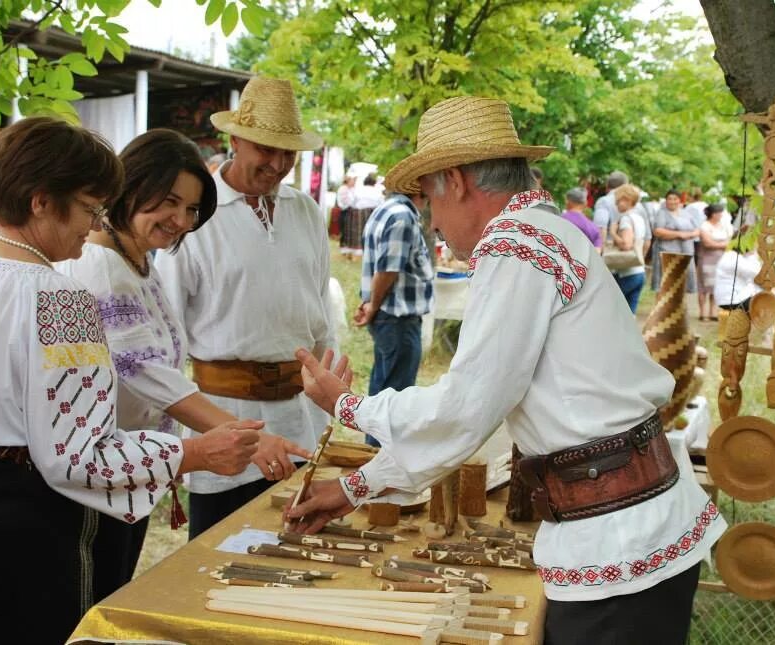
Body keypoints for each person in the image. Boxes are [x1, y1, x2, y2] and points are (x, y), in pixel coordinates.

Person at [285, 96, 725, 645]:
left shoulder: (517, 245)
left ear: (456, 181)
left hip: (618, 537)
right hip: (630, 524)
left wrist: (348, 405)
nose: (433, 224)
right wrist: (356, 486)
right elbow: (481, 405)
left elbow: (465, 407)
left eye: (429, 202)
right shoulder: (546, 234)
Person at [0, 117, 263, 644]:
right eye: (89, 209)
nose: (91, 226)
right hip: (32, 521)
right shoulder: (58, 298)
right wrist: (194, 455)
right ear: (41, 201)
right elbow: (78, 455)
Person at [57, 129, 311, 595]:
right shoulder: (100, 264)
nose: (180, 220)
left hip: (130, 472)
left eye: (191, 209)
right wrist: (244, 435)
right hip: (96, 478)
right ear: (132, 186)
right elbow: (145, 372)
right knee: (92, 603)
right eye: (169, 202)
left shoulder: (135, 258)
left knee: (111, 588)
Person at [154, 76, 337, 539]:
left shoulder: (306, 212)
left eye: (287, 153)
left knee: (295, 549)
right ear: (234, 139)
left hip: (299, 417)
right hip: (224, 418)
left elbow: (321, 317)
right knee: (219, 554)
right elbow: (167, 334)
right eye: (265, 149)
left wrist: (330, 399)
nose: (277, 164)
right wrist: (177, 439)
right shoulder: (194, 216)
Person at [355, 191, 434, 448]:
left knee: (383, 391)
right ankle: (380, 459)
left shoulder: (387, 209)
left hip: (390, 316)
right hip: (397, 317)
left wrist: (370, 304)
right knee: (393, 399)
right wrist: (373, 305)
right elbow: (387, 269)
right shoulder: (402, 216)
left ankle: (373, 455)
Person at [608, 183, 650, 313]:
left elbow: (626, 245)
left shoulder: (626, 219)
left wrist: (613, 233)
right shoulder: (639, 218)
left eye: (618, 201)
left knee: (612, 310)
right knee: (630, 314)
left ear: (627, 200)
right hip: (639, 271)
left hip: (625, 272)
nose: (616, 204)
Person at [651, 189, 699, 292]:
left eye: (675, 199)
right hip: (668, 253)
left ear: (679, 200)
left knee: (683, 285)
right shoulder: (662, 213)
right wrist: (679, 234)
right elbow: (658, 231)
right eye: (669, 199)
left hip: (686, 252)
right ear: (666, 200)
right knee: (668, 285)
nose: (672, 201)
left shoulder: (686, 213)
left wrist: (689, 235)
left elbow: (697, 230)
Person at [696, 203, 734, 321]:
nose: (720, 215)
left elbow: (730, 240)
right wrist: (724, 245)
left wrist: (720, 245)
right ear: (713, 214)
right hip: (707, 259)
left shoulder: (723, 226)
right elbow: (708, 243)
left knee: (715, 286)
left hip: (721, 260)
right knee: (704, 286)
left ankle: (713, 311)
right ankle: (703, 312)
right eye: (718, 213)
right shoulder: (704, 226)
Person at [713, 241, 763, 312]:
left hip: (728, 298)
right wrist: (753, 255)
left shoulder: (730, 255)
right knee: (765, 302)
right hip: (733, 300)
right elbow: (757, 273)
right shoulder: (734, 258)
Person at [344, 173, 384, 258]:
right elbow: (381, 202)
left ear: (364, 182)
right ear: (373, 183)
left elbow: (353, 201)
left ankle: (359, 250)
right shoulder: (377, 191)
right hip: (374, 212)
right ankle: (371, 249)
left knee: (359, 231)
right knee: (373, 231)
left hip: (360, 212)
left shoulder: (359, 190)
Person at [591, 170, 628, 246]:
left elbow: (600, 227)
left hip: (609, 248)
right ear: (625, 186)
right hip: (629, 250)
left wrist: (599, 252)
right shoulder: (636, 203)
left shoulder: (604, 201)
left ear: (607, 186)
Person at [335, 174, 357, 256]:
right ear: (348, 181)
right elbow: (345, 202)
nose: (354, 182)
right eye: (352, 180)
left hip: (350, 210)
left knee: (349, 230)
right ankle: (343, 248)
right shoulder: (343, 189)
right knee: (344, 229)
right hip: (345, 210)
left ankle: (348, 248)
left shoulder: (351, 189)